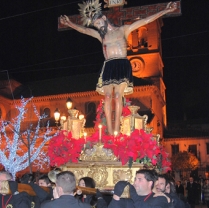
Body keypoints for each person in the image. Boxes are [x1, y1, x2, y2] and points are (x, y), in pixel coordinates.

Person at [60, 1, 177, 135]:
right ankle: (110, 131)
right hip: (109, 65)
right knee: (108, 96)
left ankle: (116, 129)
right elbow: (85, 30)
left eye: (98, 23)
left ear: (103, 18)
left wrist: (165, 11)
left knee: (117, 95)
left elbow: (145, 20)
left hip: (121, 64)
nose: (98, 27)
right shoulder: (101, 36)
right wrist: (69, 23)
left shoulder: (123, 30)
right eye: (95, 25)